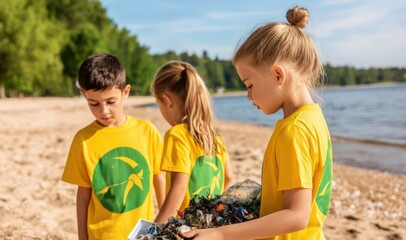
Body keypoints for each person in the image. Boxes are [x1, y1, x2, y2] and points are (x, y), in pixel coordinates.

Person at [183, 6, 333, 240]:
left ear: (277, 75)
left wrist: (221, 234)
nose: (249, 95)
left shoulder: (293, 131)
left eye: (249, 84)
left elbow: (297, 215)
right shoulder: (313, 118)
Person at [61, 53, 165, 240]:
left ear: (125, 92)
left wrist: (165, 223)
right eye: (94, 103)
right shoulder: (83, 140)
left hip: (141, 235)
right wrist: (82, 237)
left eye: (110, 102)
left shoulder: (147, 131)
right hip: (101, 235)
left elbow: (159, 180)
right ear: (84, 94)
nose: (104, 111)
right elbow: (83, 195)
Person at [151, 60, 234, 224]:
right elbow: (229, 177)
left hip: (186, 227)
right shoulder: (215, 137)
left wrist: (153, 230)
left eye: (158, 104)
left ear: (167, 101)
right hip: (210, 225)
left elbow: (179, 189)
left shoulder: (176, 135)